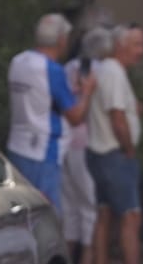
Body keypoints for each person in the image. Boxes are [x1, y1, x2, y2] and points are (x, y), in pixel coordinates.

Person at [83, 24, 143, 264]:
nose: (141, 52)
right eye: (137, 45)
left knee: (104, 214)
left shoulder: (104, 69)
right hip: (114, 154)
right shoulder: (115, 73)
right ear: (120, 46)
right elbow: (117, 117)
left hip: (96, 151)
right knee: (131, 216)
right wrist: (129, 147)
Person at [5, 13, 97, 213]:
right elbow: (75, 117)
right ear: (62, 40)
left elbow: (39, 96)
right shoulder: (52, 70)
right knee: (46, 217)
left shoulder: (18, 62)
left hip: (17, 145)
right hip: (43, 150)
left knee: (22, 210)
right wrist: (87, 92)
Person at [62, 26, 113, 264]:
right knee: (91, 205)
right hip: (86, 142)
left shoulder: (70, 66)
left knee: (71, 204)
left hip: (65, 142)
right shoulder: (103, 71)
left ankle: (69, 263)